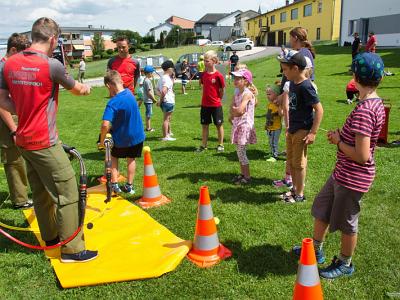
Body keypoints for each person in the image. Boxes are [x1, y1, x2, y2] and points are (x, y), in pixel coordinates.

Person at [0, 17, 97, 263]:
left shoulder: (8, 64)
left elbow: (2, 99)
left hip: (22, 140)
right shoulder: (51, 65)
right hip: (44, 141)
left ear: (33, 35)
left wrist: (22, 108)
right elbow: (76, 89)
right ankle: (73, 250)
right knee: (68, 193)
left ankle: (51, 237)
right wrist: (86, 89)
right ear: (53, 39)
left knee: (41, 192)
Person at [293, 52, 385, 279]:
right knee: (322, 207)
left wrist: (338, 141)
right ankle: (315, 249)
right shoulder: (373, 102)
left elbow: (362, 155)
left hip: (353, 178)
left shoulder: (365, 110)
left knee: (347, 222)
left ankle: (345, 263)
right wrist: (343, 137)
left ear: (355, 77)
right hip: (342, 174)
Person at [277, 50, 324, 203]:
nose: (283, 73)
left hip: (302, 130)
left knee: (299, 164)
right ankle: (294, 190)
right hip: (293, 129)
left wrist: (313, 133)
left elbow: (319, 110)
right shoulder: (293, 84)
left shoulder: (305, 86)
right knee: (291, 162)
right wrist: (288, 127)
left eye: (285, 70)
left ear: (295, 68)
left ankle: (300, 194)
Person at [99, 70, 145, 195]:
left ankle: (114, 185)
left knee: (114, 157)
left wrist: (102, 140)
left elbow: (105, 124)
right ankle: (129, 186)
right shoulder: (130, 94)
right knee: (131, 159)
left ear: (109, 85)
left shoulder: (113, 102)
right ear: (121, 81)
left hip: (122, 138)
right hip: (137, 136)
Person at [0, 33, 32, 209]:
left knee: (20, 157)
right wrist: (13, 129)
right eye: (22, 54)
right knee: (13, 159)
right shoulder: (2, 68)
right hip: (6, 122)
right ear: (13, 50)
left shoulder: (9, 68)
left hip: (13, 118)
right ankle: (20, 200)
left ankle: (22, 194)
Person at [229, 69, 257, 185]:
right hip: (238, 125)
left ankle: (247, 177)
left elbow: (239, 110)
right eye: (234, 78)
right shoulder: (237, 93)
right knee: (239, 152)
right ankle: (243, 174)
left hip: (244, 125)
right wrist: (235, 111)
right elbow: (232, 109)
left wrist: (235, 111)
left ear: (245, 81)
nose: (235, 80)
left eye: (238, 78)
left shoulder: (247, 94)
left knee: (241, 152)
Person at [196, 50, 225, 152]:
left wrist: (217, 100)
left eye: (207, 61)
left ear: (214, 61)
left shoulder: (219, 76)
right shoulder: (203, 75)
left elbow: (222, 91)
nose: (205, 62)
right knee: (204, 126)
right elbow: (204, 87)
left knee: (219, 125)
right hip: (205, 105)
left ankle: (220, 144)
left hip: (216, 105)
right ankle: (204, 145)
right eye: (204, 60)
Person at [157, 60, 176, 141]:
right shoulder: (167, 79)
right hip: (168, 101)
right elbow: (164, 91)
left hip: (165, 101)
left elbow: (157, 90)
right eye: (172, 69)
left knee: (168, 118)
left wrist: (160, 99)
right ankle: (166, 136)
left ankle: (168, 133)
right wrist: (161, 100)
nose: (173, 70)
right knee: (166, 119)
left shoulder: (161, 78)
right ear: (169, 69)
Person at [265, 84, 283, 162]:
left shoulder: (277, 104)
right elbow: (269, 116)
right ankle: (272, 153)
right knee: (270, 141)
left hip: (276, 128)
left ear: (276, 94)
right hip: (270, 127)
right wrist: (266, 125)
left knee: (274, 142)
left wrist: (279, 105)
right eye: (267, 94)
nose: (267, 96)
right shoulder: (270, 104)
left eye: (269, 94)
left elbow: (281, 114)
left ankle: (274, 156)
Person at [142, 65, 157, 132]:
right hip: (148, 100)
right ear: (149, 73)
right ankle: (148, 128)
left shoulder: (146, 80)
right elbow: (149, 92)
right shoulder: (147, 81)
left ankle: (148, 127)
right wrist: (153, 99)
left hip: (148, 100)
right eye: (152, 73)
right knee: (148, 114)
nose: (152, 74)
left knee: (148, 114)